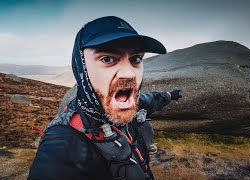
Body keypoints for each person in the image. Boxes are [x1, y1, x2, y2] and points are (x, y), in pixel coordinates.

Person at [28, 16, 181, 180]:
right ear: (82, 68)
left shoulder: (129, 103)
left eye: (136, 59)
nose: (129, 73)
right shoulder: (62, 146)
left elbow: (150, 100)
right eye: (107, 59)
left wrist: (169, 95)